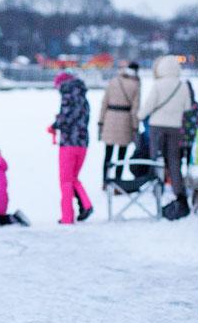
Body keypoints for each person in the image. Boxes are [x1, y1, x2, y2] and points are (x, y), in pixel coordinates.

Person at [139, 54, 193, 220]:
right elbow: (187, 107)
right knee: (174, 161)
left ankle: (158, 188)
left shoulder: (158, 84)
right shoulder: (182, 85)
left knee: (156, 159)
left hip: (157, 126)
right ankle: (179, 192)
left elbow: (148, 106)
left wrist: (139, 116)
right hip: (175, 127)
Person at [52, 71, 94, 224]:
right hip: (83, 143)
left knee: (65, 180)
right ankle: (86, 205)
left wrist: (54, 125)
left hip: (69, 143)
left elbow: (66, 119)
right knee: (73, 178)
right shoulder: (83, 97)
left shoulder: (68, 95)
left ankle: (67, 217)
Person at [98, 61, 141, 185]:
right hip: (125, 121)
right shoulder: (136, 84)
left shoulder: (114, 81)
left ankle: (105, 181)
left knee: (108, 153)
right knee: (121, 155)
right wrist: (135, 127)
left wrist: (101, 121)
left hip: (109, 119)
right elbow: (135, 109)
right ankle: (118, 182)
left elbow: (104, 103)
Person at [179, 79, 198, 171]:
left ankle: (179, 172)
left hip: (180, 132)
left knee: (179, 153)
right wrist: (197, 127)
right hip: (191, 133)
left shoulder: (179, 103)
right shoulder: (195, 104)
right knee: (189, 152)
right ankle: (188, 170)